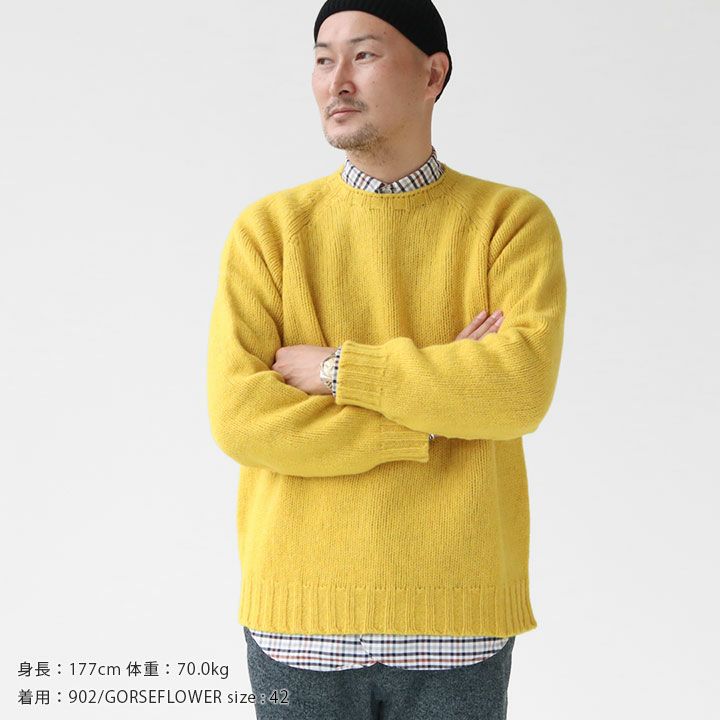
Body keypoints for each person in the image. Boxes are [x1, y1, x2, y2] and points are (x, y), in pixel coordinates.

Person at [206, 0, 567, 717]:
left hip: (456, 618)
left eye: (364, 54)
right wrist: (432, 415)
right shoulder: (268, 232)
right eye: (322, 59)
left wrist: (338, 371)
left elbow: (518, 391)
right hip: (300, 619)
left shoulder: (509, 223)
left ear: (433, 75)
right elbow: (243, 419)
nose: (336, 79)